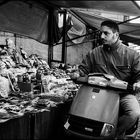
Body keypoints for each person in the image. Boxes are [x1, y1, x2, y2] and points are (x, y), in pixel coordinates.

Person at [70, 20, 140, 139]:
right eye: (101, 33)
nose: (102, 36)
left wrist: (138, 83)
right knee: (78, 113)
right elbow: (83, 69)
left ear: (116, 35)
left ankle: (114, 134)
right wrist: (76, 73)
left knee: (134, 113)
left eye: (106, 33)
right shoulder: (94, 53)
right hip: (97, 92)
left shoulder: (132, 55)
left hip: (122, 94)